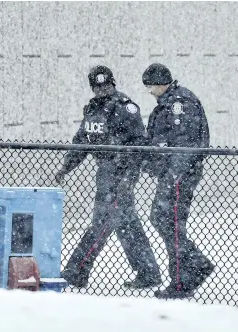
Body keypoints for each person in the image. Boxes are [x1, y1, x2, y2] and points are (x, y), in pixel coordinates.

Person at [55, 65, 161, 289]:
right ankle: (148, 271)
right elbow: (82, 142)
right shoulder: (93, 109)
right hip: (105, 170)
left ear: (113, 84)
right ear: (93, 88)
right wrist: (66, 167)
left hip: (120, 172)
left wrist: (127, 177)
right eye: (98, 86)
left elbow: (139, 145)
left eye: (106, 85)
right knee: (127, 224)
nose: (102, 90)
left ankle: (77, 270)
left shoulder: (126, 108)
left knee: (102, 223)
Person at [141, 63, 215, 299]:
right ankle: (195, 264)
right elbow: (160, 141)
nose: (150, 91)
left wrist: (175, 174)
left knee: (170, 222)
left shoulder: (180, 104)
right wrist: (151, 164)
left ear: (161, 83)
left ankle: (182, 281)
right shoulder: (167, 104)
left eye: (151, 86)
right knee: (163, 219)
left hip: (180, 176)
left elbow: (186, 143)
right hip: (172, 174)